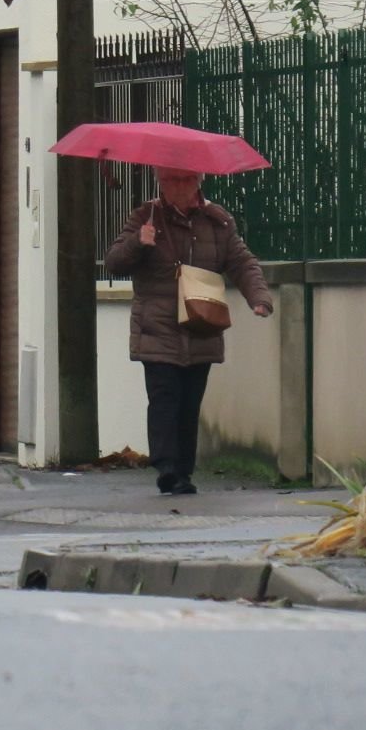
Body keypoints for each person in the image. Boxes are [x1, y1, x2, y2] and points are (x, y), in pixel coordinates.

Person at [105, 167, 273, 495]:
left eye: (183, 179)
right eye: (168, 180)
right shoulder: (145, 216)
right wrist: (140, 243)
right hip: (157, 326)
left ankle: (184, 471)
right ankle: (167, 467)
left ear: (198, 181)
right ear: (160, 182)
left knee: (189, 402)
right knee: (165, 397)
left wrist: (260, 298)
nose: (176, 187)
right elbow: (114, 262)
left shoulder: (217, 221)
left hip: (201, 325)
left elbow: (242, 262)